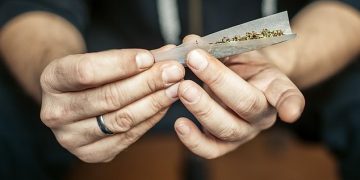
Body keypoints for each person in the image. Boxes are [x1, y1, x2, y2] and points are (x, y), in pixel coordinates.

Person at [0, 0, 359, 179]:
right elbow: (32, 6)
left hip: (292, 61)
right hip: (115, 61)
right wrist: (59, 74)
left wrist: (282, 61)